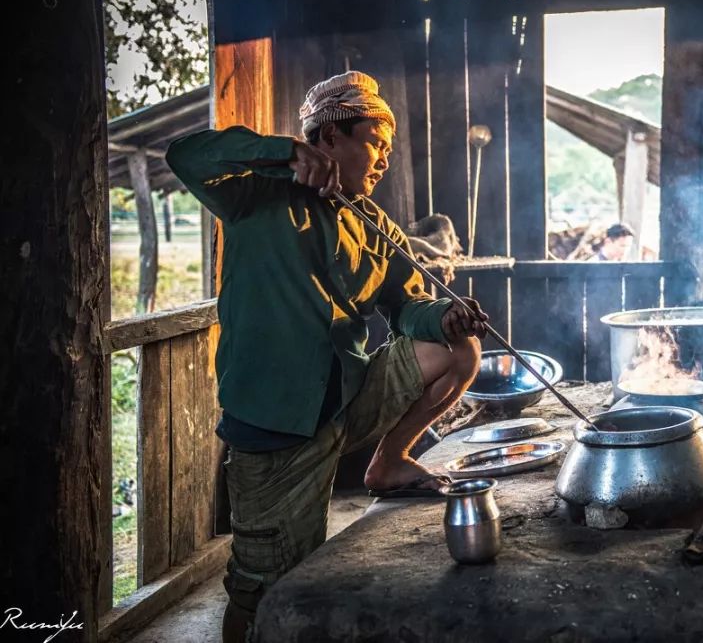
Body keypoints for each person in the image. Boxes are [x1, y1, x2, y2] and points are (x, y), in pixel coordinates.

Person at [166, 71, 488, 642]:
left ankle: (390, 462)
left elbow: (406, 308)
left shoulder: (374, 226)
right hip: (277, 427)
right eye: (374, 141)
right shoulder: (254, 195)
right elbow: (185, 154)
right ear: (328, 139)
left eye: (388, 147)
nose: (384, 158)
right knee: (267, 589)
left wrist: (444, 316)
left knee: (458, 348)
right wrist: (280, 152)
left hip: (346, 400)